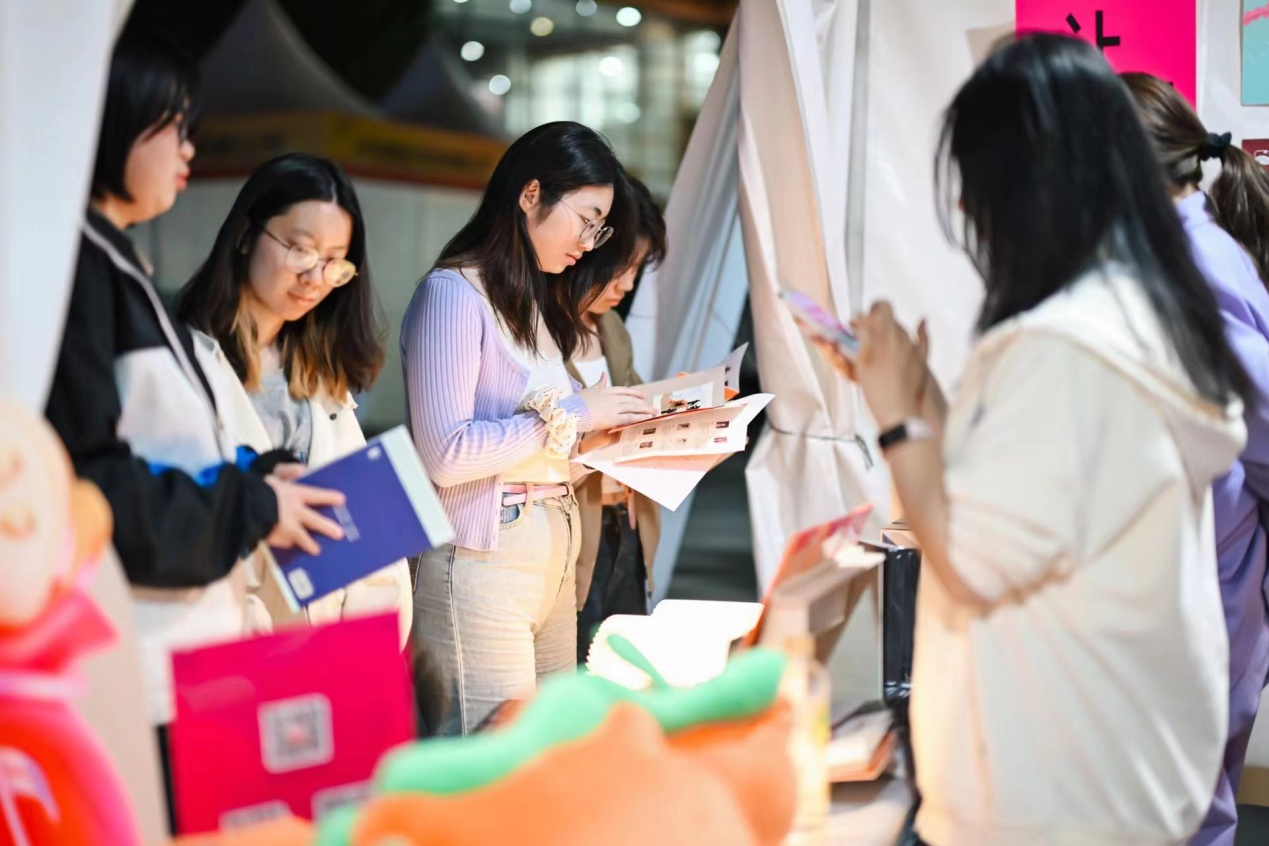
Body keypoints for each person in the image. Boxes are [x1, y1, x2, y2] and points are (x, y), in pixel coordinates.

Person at [828, 34, 1251, 845]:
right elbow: (1021, 493)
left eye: (977, 184)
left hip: (1055, 789)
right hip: (1114, 767)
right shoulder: (1136, 312)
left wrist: (895, 418)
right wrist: (915, 391)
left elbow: (971, 557)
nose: (966, 213)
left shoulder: (1065, 349)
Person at [42, 25, 343, 828]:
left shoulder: (117, 264)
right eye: (171, 125)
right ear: (110, 117)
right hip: (130, 664)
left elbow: (165, 449)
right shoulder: (78, 271)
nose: (188, 148)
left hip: (180, 659)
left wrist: (255, 479)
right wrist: (253, 503)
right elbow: (92, 485)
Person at [402, 121, 656, 735]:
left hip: (552, 551)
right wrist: (576, 416)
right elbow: (445, 453)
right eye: (587, 220)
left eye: (600, 229)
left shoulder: (534, 303)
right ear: (530, 193)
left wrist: (607, 443)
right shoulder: (453, 294)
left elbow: (546, 445)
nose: (589, 244)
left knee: (549, 750)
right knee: (496, 756)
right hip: (482, 557)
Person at [176, 152, 413, 647]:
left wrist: (360, 644)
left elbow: (372, 544)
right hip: (232, 645)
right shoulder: (185, 365)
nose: (314, 278)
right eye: (301, 250)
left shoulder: (320, 375)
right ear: (246, 234)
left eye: (333, 263)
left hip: (331, 652)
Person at [1123, 71, 1269, 846]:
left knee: (1183, 813)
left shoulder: (1191, 270)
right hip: (1208, 572)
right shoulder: (1190, 250)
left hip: (1210, 580)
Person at [567, 175, 666, 662]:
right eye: (622, 268)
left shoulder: (612, 328)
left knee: (625, 666)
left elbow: (640, 406)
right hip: (575, 536)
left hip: (626, 525)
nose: (627, 285)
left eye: (637, 270)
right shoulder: (541, 333)